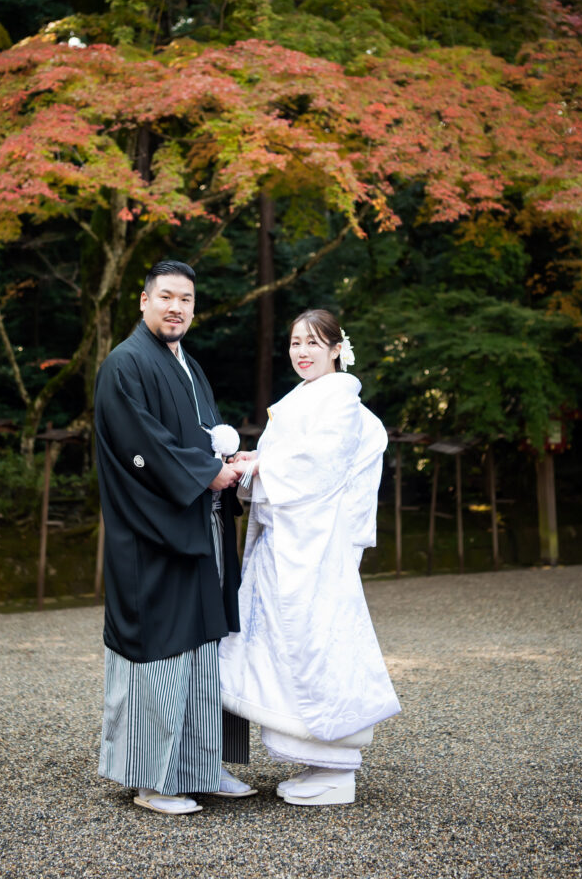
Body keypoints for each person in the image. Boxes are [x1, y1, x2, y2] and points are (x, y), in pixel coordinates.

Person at [219, 309, 401, 806]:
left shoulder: (340, 404)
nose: (301, 352)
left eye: (313, 343)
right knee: (287, 644)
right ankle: (318, 761)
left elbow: (315, 469)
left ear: (337, 348)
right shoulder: (306, 399)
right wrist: (256, 463)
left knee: (314, 642)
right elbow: (292, 462)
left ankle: (336, 767)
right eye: (295, 342)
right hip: (291, 543)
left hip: (314, 547)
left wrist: (256, 467)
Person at [94, 260, 256, 815]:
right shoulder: (125, 364)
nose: (176, 308)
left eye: (185, 299)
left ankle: (201, 767)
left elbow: (202, 437)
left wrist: (227, 460)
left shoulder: (188, 364)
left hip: (197, 524)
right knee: (161, 652)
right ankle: (153, 780)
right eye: (166, 297)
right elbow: (145, 445)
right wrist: (204, 473)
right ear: (143, 301)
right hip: (151, 534)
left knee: (205, 649)